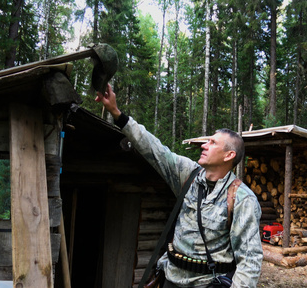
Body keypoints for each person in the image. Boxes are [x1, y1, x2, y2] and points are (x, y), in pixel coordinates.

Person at [96, 84, 263, 287]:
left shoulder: (241, 199)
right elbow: (155, 149)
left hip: (207, 284)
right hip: (170, 279)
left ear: (229, 155)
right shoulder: (189, 174)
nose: (204, 145)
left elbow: (249, 261)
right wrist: (116, 112)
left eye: (212, 142)